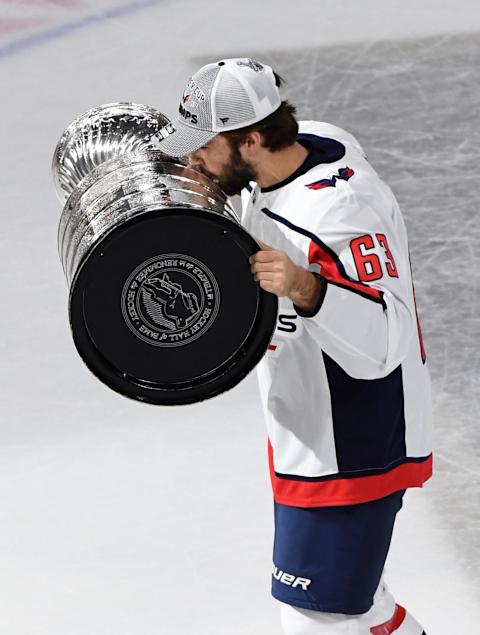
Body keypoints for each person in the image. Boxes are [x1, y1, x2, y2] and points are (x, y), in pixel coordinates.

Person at [156, 57, 433, 635]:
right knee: (362, 604)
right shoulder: (303, 150)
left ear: (253, 139)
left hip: (355, 447)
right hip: (306, 434)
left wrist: (308, 286)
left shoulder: (339, 213)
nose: (193, 159)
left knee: (316, 618)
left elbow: (386, 341)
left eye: (203, 147)